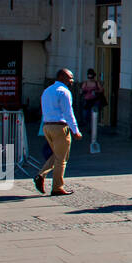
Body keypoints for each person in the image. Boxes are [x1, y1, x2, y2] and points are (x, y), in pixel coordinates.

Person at [34, 68, 80, 196]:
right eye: (69, 77)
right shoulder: (64, 92)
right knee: (62, 159)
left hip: (47, 126)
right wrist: (75, 130)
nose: (72, 80)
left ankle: (41, 175)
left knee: (57, 154)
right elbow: (68, 113)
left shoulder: (47, 91)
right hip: (60, 127)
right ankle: (57, 187)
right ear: (61, 77)